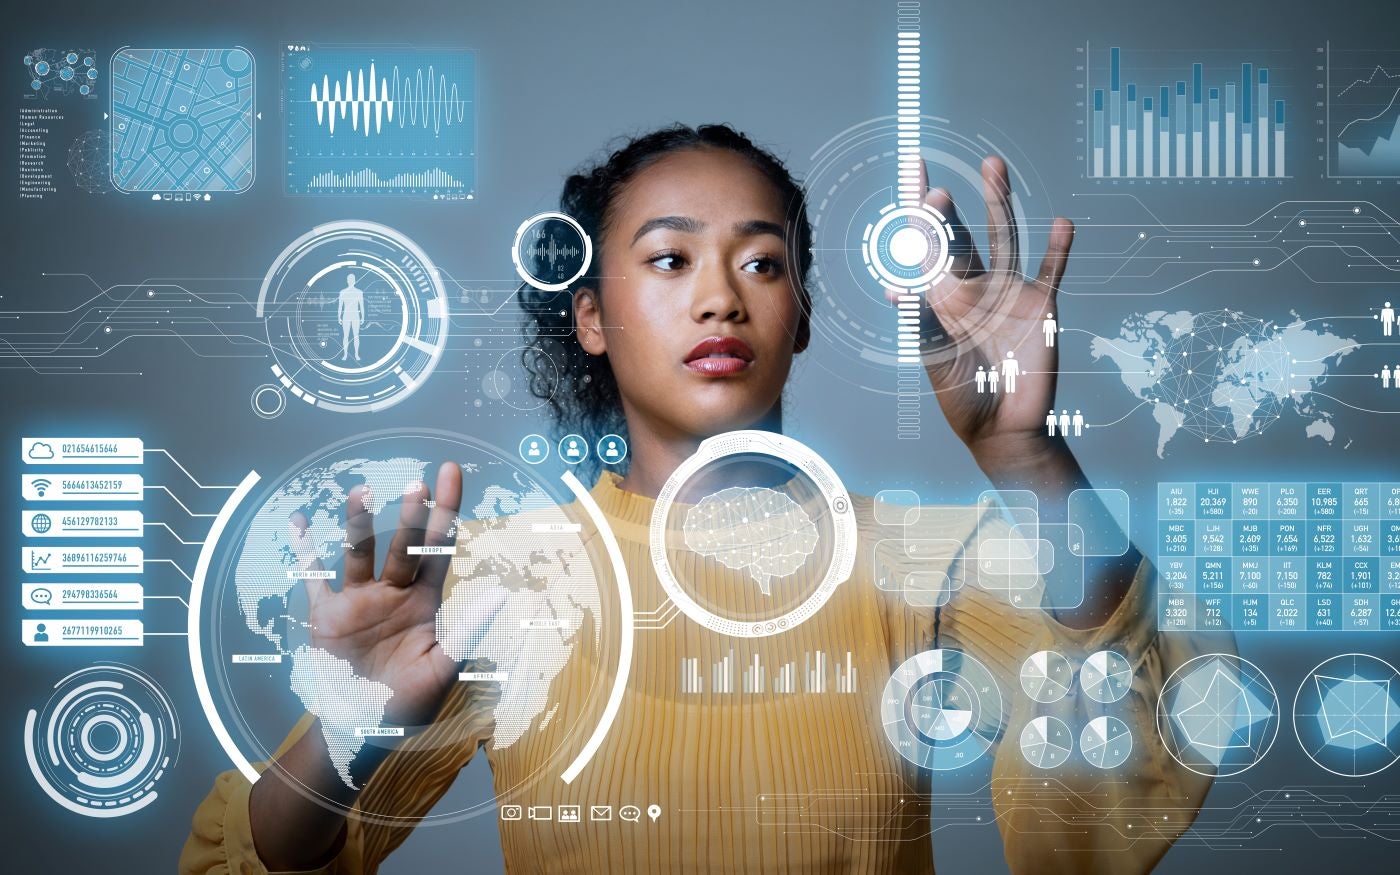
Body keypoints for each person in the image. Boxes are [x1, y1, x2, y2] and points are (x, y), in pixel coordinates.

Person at [183, 124, 1214, 875]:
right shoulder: (503, 577)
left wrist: (1024, 456)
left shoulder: (912, 558)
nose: (720, 296)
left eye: (761, 262)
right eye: (669, 259)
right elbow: (268, 858)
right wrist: (348, 720)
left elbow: (1113, 759)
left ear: (800, 315)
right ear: (590, 316)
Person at [336, 273, 365, 362]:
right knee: (346, 336)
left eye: (352, 280)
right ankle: (345, 354)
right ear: (348, 281)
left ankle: (356, 354)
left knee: (356, 336)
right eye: (350, 280)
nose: (351, 281)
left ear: (354, 281)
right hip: (346, 316)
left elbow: (362, 306)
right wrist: (339, 317)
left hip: (355, 315)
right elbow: (340, 306)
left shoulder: (359, 292)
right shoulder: (343, 292)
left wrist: (363, 317)